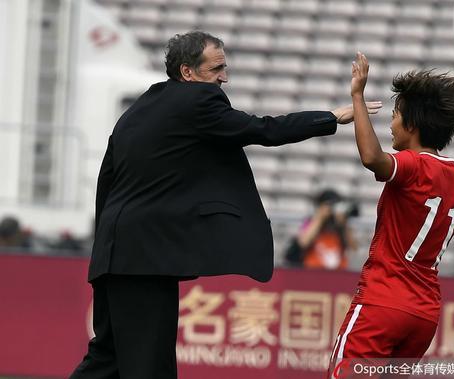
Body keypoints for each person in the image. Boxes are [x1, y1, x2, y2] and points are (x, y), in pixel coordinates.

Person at [70, 32, 381, 379]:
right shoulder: (198, 101)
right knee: (149, 364)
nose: (224, 77)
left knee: (106, 359)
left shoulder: (140, 107)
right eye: (216, 68)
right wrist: (330, 117)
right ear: (188, 73)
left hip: (113, 253)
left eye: (225, 67)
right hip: (146, 257)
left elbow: (107, 179)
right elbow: (263, 130)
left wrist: (104, 243)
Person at [328, 53, 454, 375]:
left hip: (382, 302)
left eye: (395, 115)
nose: (391, 124)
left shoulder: (412, 165)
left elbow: (371, 158)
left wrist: (357, 95)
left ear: (411, 124)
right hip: (423, 316)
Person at [285, 189, 358, 270]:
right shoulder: (311, 222)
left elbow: (354, 248)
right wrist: (320, 218)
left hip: (338, 274)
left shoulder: (341, 225)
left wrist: (344, 223)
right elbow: (303, 243)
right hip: (313, 272)